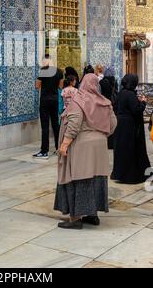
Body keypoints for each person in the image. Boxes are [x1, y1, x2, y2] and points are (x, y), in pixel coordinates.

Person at [54, 73, 117, 230]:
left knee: (78, 179)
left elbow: (74, 124)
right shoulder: (104, 102)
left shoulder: (79, 101)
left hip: (82, 147)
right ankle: (92, 215)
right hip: (100, 147)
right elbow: (113, 123)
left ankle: (75, 219)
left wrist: (64, 145)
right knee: (96, 178)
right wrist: (101, 135)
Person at [112, 74, 150, 184]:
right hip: (130, 126)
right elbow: (137, 110)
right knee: (130, 150)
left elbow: (115, 106)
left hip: (120, 125)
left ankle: (120, 174)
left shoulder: (121, 93)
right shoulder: (130, 94)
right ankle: (130, 175)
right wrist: (143, 102)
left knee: (122, 150)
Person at [34, 57, 63, 159]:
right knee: (56, 125)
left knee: (45, 126)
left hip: (45, 101)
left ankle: (44, 151)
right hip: (55, 100)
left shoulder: (43, 71)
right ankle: (58, 148)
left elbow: (37, 86)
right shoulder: (59, 71)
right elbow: (60, 86)